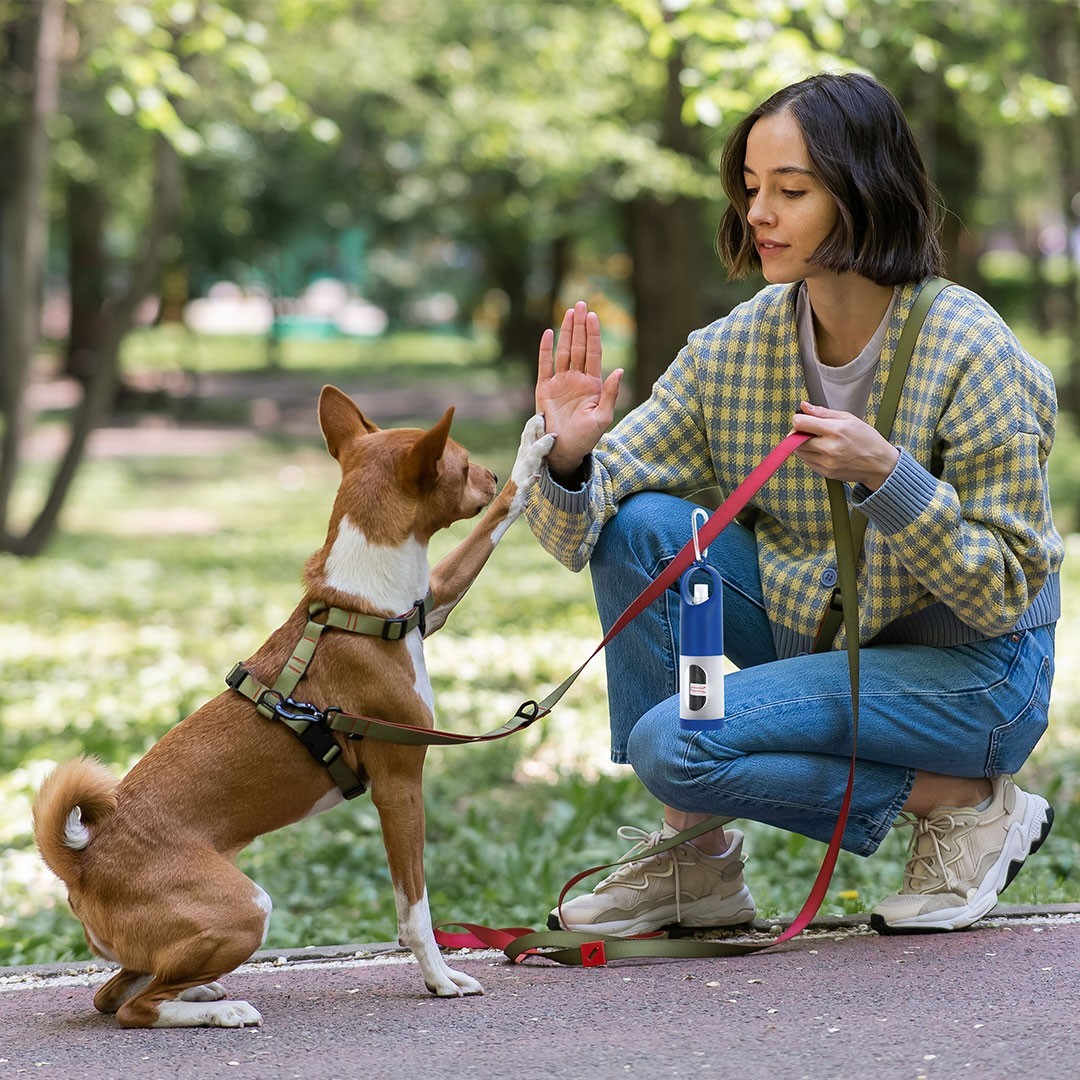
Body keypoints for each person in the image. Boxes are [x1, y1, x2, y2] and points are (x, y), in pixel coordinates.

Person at [525, 72, 1063, 937]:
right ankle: (692, 866)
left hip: (971, 676)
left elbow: (1002, 589)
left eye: (791, 190)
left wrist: (891, 478)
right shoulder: (736, 349)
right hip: (826, 631)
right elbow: (583, 528)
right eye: (749, 189)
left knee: (679, 743)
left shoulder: (973, 351)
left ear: (862, 191)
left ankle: (965, 799)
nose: (758, 215)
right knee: (647, 528)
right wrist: (570, 452)